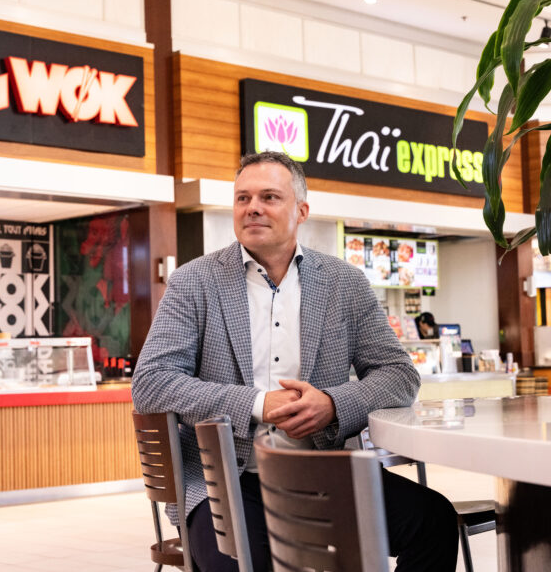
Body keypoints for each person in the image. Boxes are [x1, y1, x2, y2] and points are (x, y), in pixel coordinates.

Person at [132, 151, 458, 572]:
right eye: (242, 198)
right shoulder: (194, 281)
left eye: (269, 197)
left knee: (433, 521)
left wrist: (334, 404)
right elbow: (152, 383)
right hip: (225, 482)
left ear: (302, 210)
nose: (253, 207)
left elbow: (398, 375)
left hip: (322, 473)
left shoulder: (345, 283)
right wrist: (256, 404)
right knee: (241, 563)